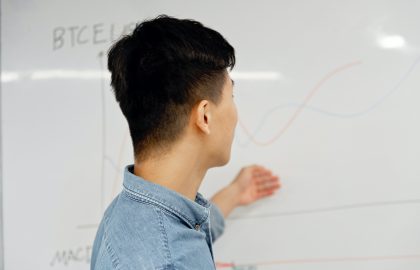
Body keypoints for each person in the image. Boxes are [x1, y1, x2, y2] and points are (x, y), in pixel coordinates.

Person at [90, 14, 282, 270]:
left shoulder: (126, 212)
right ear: (205, 116)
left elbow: (181, 230)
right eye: (231, 96)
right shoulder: (169, 261)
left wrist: (234, 193)